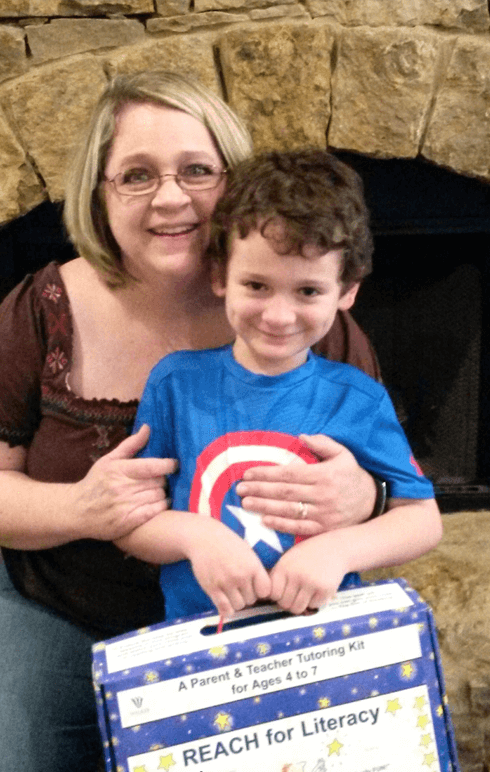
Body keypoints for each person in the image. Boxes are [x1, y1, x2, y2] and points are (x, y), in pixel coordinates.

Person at [0, 73, 382, 772]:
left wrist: (361, 496)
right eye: (135, 174)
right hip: (59, 601)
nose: (169, 196)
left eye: (196, 170)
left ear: (235, 181)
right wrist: (82, 506)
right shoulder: (43, 310)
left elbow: (394, 483)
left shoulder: (295, 304)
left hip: (241, 634)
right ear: (98, 195)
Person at [117, 150, 442, 620]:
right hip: (202, 649)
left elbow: (422, 519)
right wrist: (197, 538)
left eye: (308, 291)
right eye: (257, 285)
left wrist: (339, 553)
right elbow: (131, 524)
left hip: (321, 645)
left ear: (347, 291)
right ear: (220, 276)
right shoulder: (175, 384)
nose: (278, 315)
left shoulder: (359, 399)